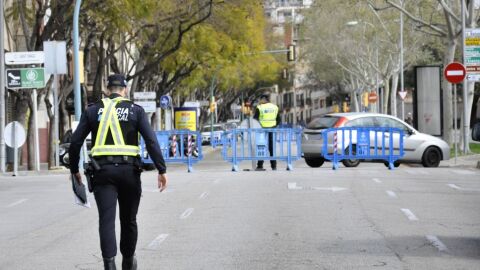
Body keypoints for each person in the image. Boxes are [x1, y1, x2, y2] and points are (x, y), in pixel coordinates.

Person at [69, 74, 168, 270]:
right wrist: (161, 169)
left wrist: (74, 169)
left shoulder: (93, 110)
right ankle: (129, 261)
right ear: (124, 90)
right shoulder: (136, 111)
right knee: (129, 220)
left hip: (102, 173)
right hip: (129, 173)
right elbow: (151, 141)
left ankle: (109, 265)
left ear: (107, 89)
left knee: (106, 220)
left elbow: (75, 142)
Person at [254, 93, 281, 171]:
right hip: (272, 129)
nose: (260, 101)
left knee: (261, 147)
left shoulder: (260, 107)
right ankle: (274, 166)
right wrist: (274, 126)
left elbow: (255, 119)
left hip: (262, 130)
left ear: (263, 99)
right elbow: (278, 120)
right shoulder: (275, 107)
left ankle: (260, 165)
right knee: (271, 147)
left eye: (260, 99)